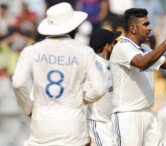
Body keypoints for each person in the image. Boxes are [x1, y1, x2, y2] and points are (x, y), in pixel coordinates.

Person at [12, 3, 105, 146]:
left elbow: (18, 83)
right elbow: (99, 89)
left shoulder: (31, 51)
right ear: (73, 26)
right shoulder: (84, 52)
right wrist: (79, 101)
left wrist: (29, 108)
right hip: (73, 125)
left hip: (41, 124)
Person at [109, 8, 166, 146]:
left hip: (149, 113)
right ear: (132, 28)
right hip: (128, 115)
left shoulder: (145, 48)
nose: (150, 28)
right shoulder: (122, 46)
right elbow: (142, 63)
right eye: (145, 24)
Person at [88, 28, 121, 146]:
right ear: (107, 46)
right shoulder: (94, 65)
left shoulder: (107, 63)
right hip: (96, 123)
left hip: (108, 123)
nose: (115, 46)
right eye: (114, 43)